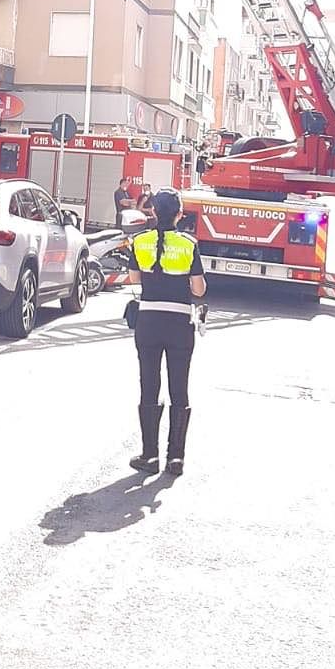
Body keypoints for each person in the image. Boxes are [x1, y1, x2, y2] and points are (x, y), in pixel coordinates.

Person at [127, 188, 206, 476]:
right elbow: (198, 290)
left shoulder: (140, 241)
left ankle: (149, 455)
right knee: (179, 388)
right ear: (180, 215)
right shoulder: (189, 244)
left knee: (149, 385)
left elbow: (134, 278)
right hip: (179, 324)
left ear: (153, 213)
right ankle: (176, 458)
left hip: (148, 322)